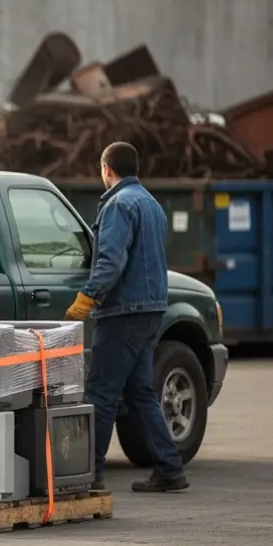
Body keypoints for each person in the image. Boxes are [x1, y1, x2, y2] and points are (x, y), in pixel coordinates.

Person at [66, 142, 188, 493]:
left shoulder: (118, 205)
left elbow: (111, 261)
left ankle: (89, 476)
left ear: (107, 169)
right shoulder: (151, 204)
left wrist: (88, 296)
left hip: (122, 313)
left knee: (101, 393)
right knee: (141, 393)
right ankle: (169, 467)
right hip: (151, 310)